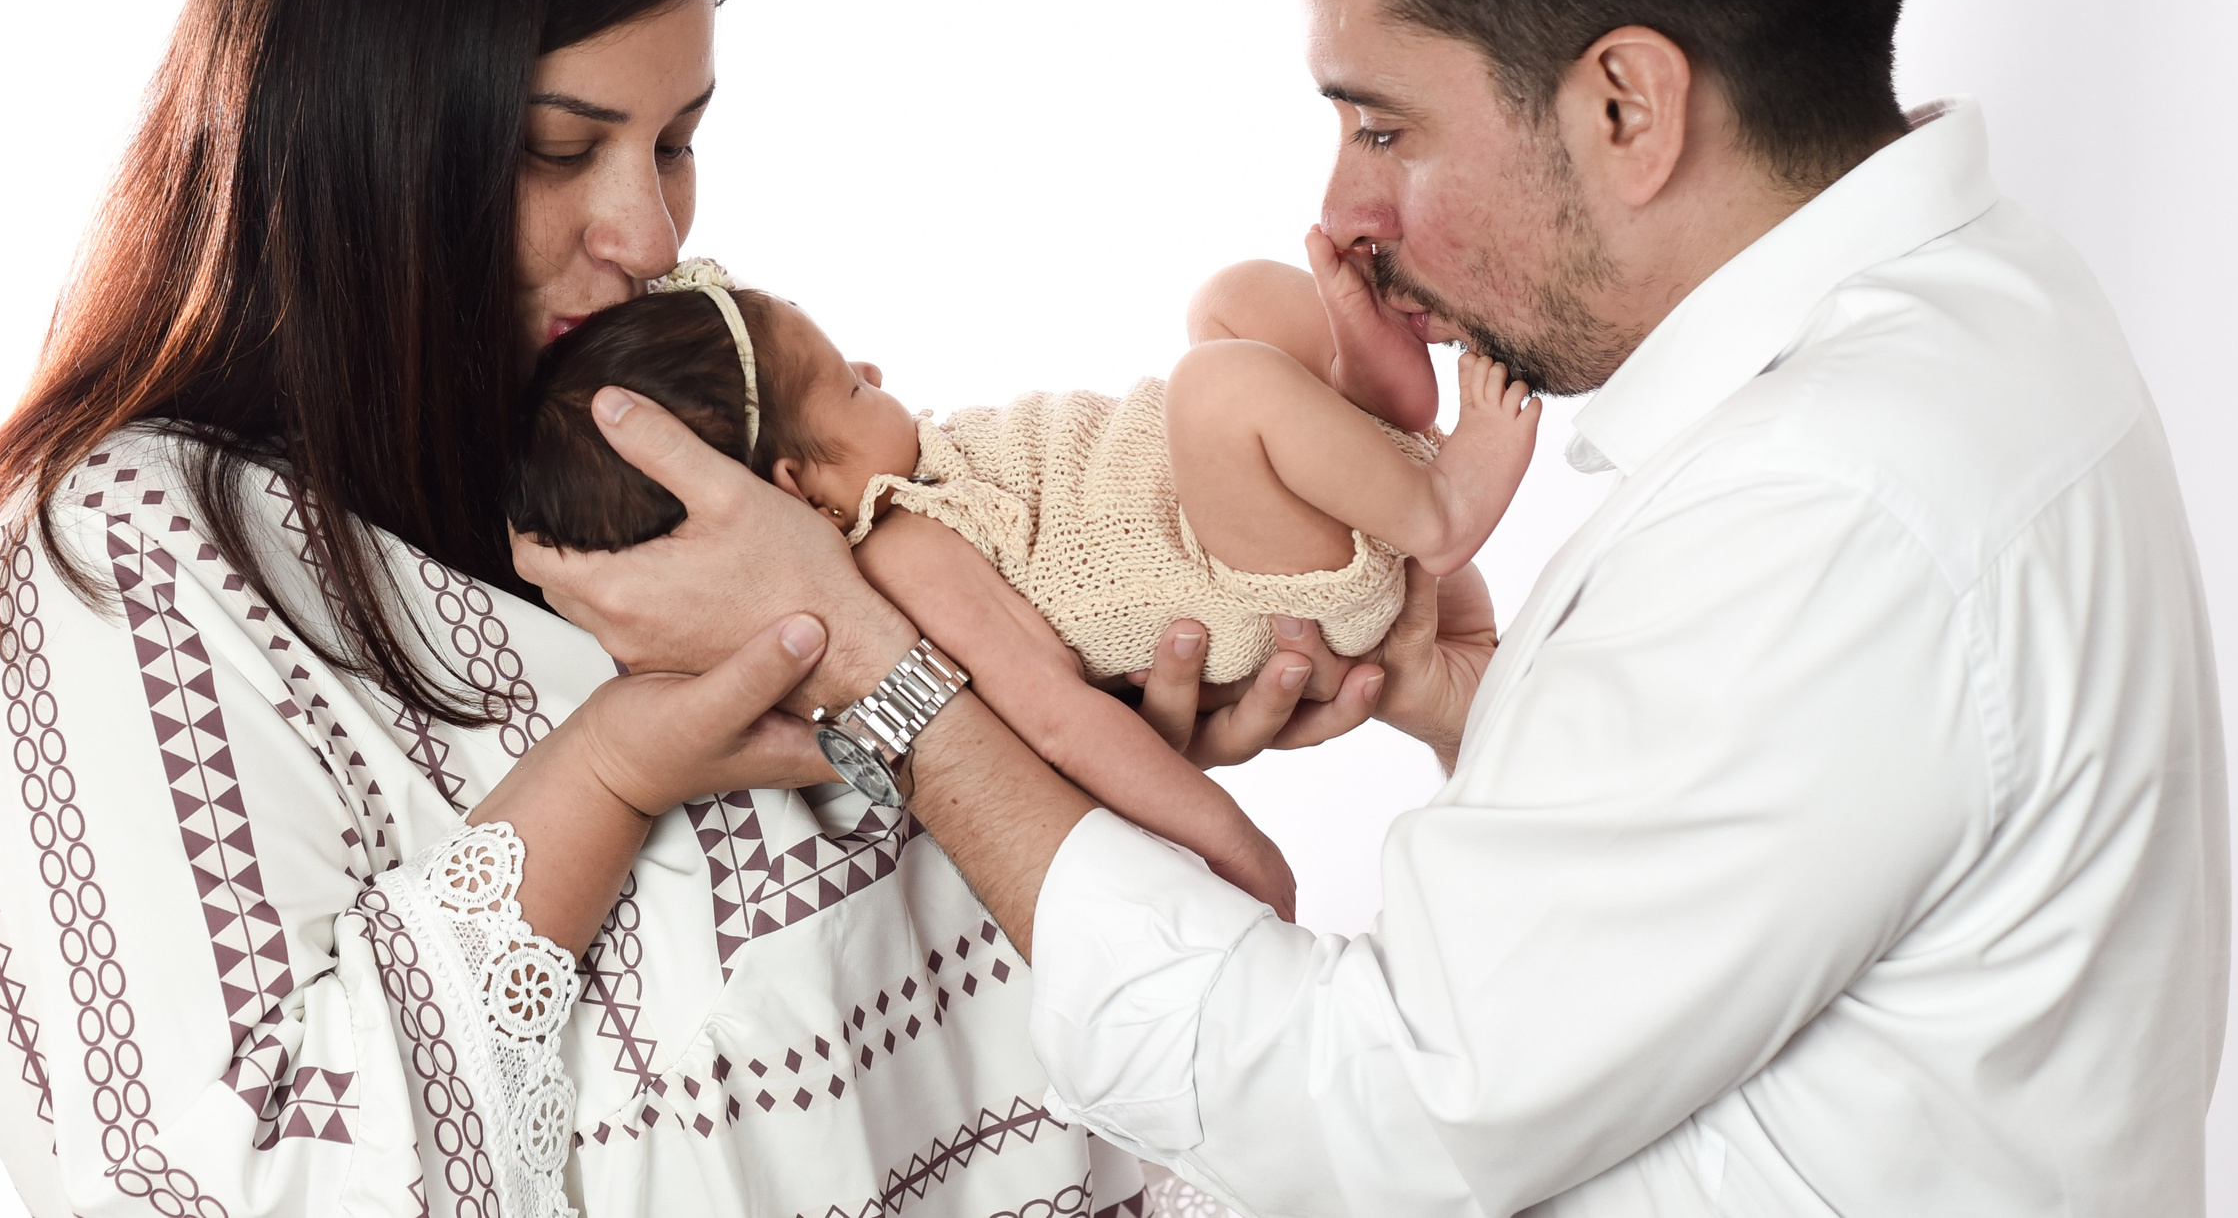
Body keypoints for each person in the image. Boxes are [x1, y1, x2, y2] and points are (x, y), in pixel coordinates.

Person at [519, 0, 2230, 1215]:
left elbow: (1382, 1118)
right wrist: (1481, 707)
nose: (1346, 208)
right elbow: (1758, 888)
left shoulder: (1833, 505)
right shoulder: (1973, 318)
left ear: (1627, 105)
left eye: (1383, 123)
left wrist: (890, 679)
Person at [0, 0, 1160, 1218]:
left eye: (677, 141)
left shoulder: (658, 460)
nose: (650, 233)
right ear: (371, 133)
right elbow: (225, 1184)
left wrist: (1101, 706)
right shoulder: (118, 565)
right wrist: (609, 772)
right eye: (563, 149)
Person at [502, 255, 1542, 921]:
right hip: (1259, 585)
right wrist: (1233, 844)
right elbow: (1062, 720)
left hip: (1250, 509)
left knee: (1227, 301)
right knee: (1216, 385)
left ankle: (1387, 412)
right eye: (849, 384)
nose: (875, 365)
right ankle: (1439, 505)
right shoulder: (903, 554)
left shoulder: (920, 483)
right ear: (800, 489)